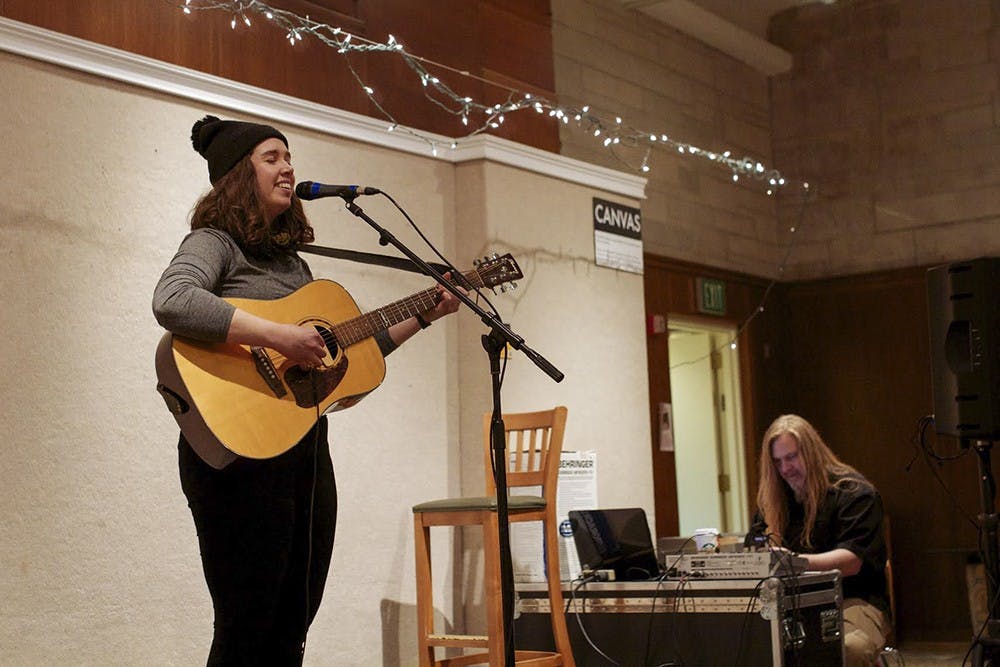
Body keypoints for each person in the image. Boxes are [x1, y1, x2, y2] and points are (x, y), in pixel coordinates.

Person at [152, 115, 461, 665]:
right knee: (247, 622)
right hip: (235, 457)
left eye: (289, 157)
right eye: (271, 157)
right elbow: (172, 299)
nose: (288, 168)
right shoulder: (214, 243)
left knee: (293, 622)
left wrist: (425, 314)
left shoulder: (295, 266)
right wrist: (277, 336)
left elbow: (347, 353)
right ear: (237, 175)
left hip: (303, 452)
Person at [754, 414, 889, 667]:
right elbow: (756, 547)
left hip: (852, 599)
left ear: (812, 452)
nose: (785, 469)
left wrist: (794, 563)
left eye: (792, 457)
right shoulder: (772, 500)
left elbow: (852, 561)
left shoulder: (854, 493)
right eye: (778, 461)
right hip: (789, 605)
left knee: (850, 649)